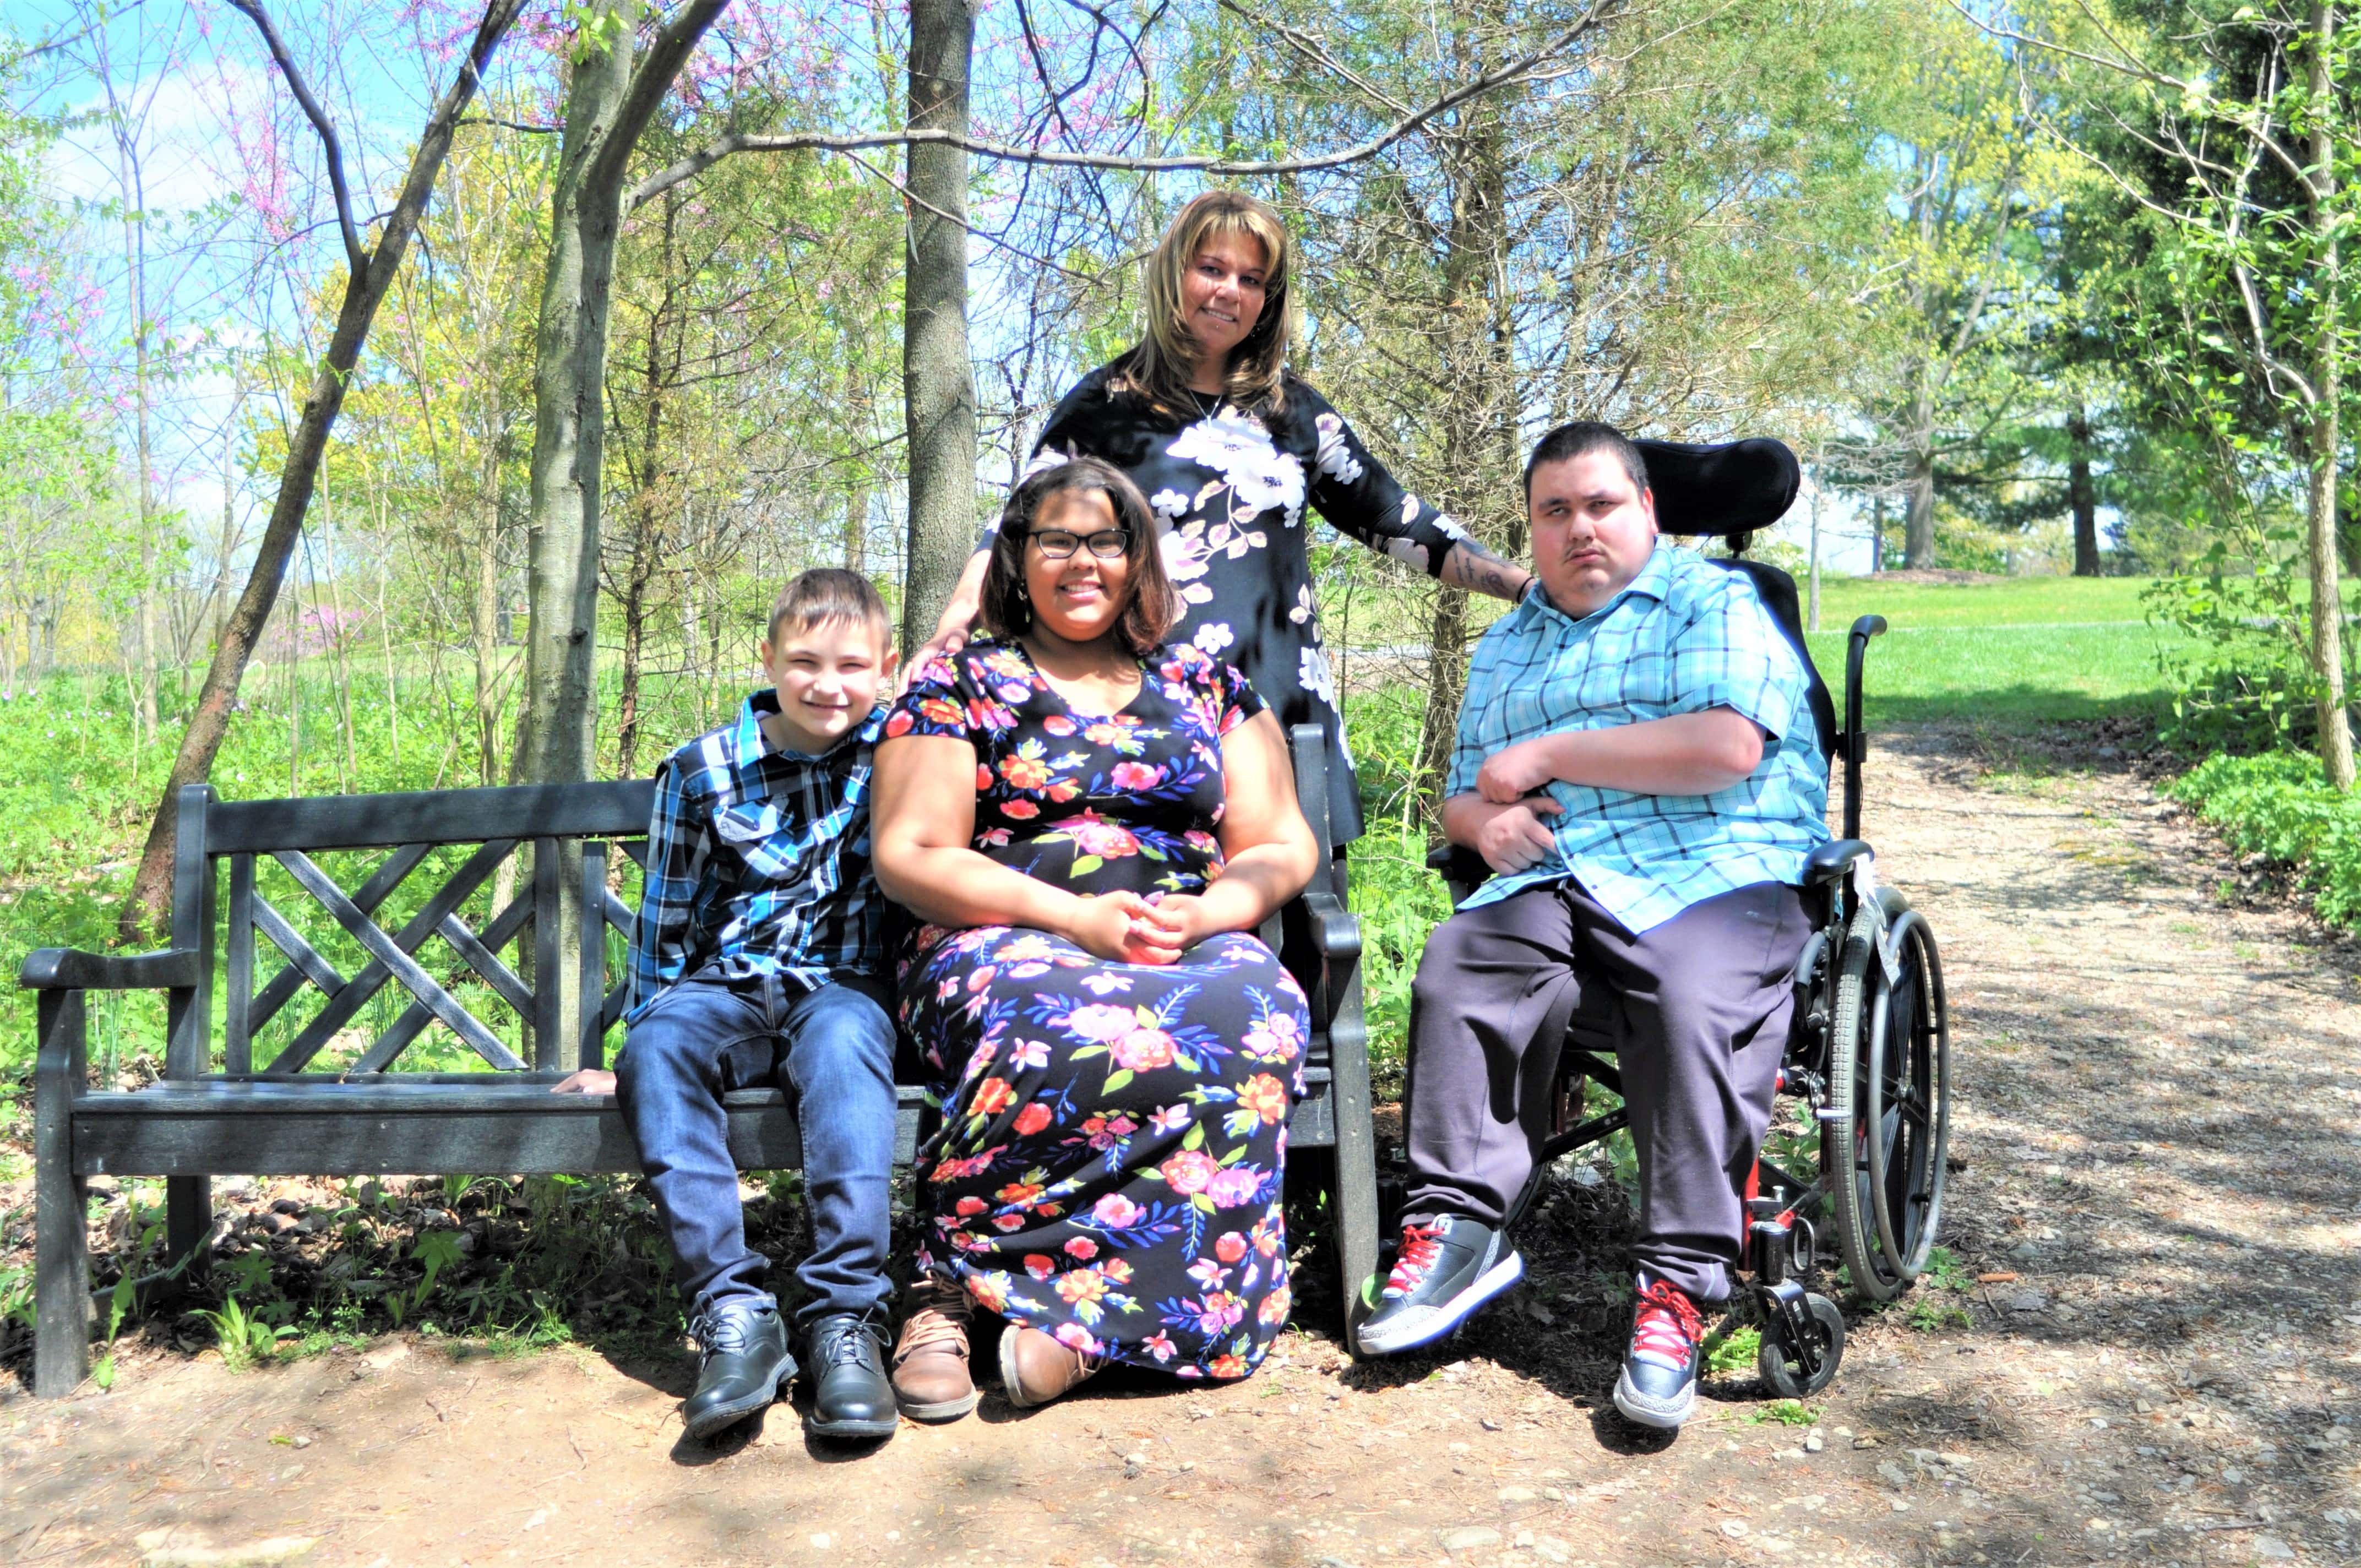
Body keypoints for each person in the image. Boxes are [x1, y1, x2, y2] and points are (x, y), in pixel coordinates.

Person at [1356, 423, 1828, 1433]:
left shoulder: (1717, 601)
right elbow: (1460, 795)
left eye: (1600, 505)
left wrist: (1545, 754)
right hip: (1562, 873)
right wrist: (1481, 819)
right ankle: (1458, 1227)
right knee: (1458, 963)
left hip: (1717, 865)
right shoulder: (1511, 638)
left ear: (1646, 511)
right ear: (1529, 528)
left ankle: (1677, 1290)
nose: (1578, 529)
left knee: (1692, 997)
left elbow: (1725, 745)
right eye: (1553, 511)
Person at [873, 456, 1321, 1414]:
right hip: (1003, 928)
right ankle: (944, 1285)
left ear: (1138, 557)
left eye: (1106, 539)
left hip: (1181, 927)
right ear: (1016, 557)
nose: (1083, 561)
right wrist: (1072, 917)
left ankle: (1081, 1337)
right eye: (1056, 540)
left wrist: (1210, 911)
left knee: (1252, 1014)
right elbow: (909, 853)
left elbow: (1282, 841)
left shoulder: (1205, 683)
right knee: (1058, 1021)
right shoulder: (962, 681)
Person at [915, 188, 1535, 858]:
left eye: (1251, 279)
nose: (1228, 292)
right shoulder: (1105, 406)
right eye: (1211, 269)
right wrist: (953, 626)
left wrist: (1527, 587)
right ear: (1173, 273)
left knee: (1303, 924)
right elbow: (1018, 523)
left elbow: (1395, 516)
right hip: (1149, 710)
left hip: (1283, 708)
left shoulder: (1295, 412)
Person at [551, 569, 905, 1444]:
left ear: (887, 667)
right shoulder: (702, 769)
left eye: (853, 665)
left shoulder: (899, 752)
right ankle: (736, 1314)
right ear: (769, 659)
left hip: (841, 986)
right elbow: (666, 923)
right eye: (806, 662)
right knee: (660, 1050)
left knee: (847, 1046)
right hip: (728, 987)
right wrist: (632, 1048)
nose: (829, 685)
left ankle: (842, 1319)